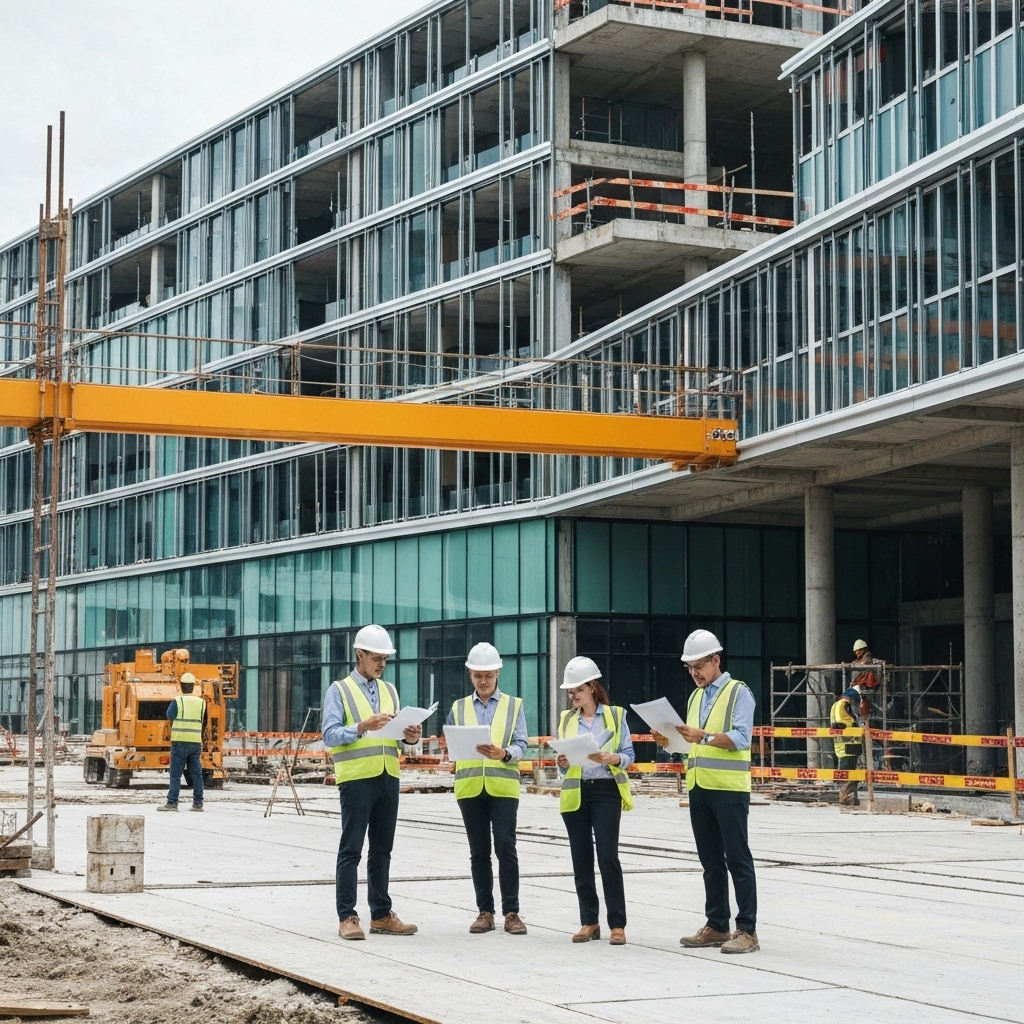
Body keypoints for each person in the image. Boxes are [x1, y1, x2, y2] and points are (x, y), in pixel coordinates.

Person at [653, 629, 758, 954]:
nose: (694, 673)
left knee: (737, 859)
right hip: (699, 788)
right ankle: (716, 925)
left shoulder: (738, 692)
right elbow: (692, 744)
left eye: (699, 666)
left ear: (716, 660)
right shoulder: (696, 697)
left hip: (728, 790)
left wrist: (704, 736)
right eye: (690, 668)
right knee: (710, 861)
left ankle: (747, 930)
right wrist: (671, 742)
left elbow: (741, 738)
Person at [322, 624, 423, 940]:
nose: (381, 664)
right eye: (376, 658)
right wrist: (362, 726)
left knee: (382, 849)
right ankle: (347, 916)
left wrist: (410, 737)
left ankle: (380, 914)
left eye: (385, 659)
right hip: (356, 779)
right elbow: (329, 735)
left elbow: (395, 737)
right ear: (359, 654)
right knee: (351, 849)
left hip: (387, 776)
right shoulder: (339, 690)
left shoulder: (390, 691)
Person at [447, 642, 528, 936]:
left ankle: (511, 912)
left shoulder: (513, 705)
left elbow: (522, 746)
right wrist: (452, 760)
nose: (483, 681)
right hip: (469, 788)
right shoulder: (458, 708)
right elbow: (453, 746)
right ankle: (485, 912)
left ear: (497, 674)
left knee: (506, 848)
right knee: (478, 852)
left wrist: (504, 754)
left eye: (489, 675)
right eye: (478, 675)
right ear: (470, 674)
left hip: (503, 787)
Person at [555, 656, 634, 946]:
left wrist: (613, 757)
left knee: (608, 857)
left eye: (577, 690)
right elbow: (562, 765)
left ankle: (617, 924)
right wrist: (562, 762)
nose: (573, 696)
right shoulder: (566, 720)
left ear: (591, 686)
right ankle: (589, 921)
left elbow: (629, 755)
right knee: (581, 859)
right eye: (570, 692)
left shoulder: (615, 716)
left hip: (605, 791)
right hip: (577, 792)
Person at [158, 671, 206, 812]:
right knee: (197, 774)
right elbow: (204, 721)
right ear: (193, 686)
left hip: (179, 743)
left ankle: (172, 803)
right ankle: (198, 804)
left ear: (181, 686)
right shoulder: (201, 703)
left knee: (176, 775)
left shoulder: (177, 701)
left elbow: (169, 715)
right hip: (195, 743)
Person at [830, 686, 863, 806]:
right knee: (849, 775)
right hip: (850, 745)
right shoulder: (846, 705)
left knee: (847, 773)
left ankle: (850, 799)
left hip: (841, 746)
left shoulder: (835, 705)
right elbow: (848, 724)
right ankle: (846, 799)